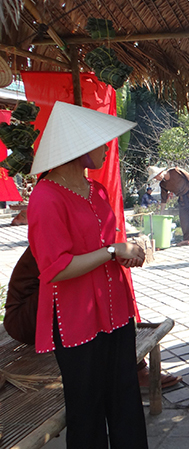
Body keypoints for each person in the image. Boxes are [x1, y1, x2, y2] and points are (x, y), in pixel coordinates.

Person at [27, 101, 149, 449]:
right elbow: (58, 268)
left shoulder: (97, 191)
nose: (108, 147)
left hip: (114, 310)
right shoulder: (46, 198)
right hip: (76, 316)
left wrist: (125, 255)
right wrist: (113, 251)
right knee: (87, 407)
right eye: (100, 141)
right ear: (75, 147)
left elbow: (105, 244)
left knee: (125, 395)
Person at [3, 245, 182, 389]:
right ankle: (133, 370)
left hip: (50, 309)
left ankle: (132, 367)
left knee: (102, 278)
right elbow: (64, 269)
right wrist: (112, 251)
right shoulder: (54, 216)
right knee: (91, 281)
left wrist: (124, 253)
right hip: (24, 318)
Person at [148, 166, 189, 246]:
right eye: (154, 177)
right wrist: (161, 213)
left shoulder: (176, 171)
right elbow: (164, 199)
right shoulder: (163, 184)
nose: (156, 178)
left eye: (156, 176)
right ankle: (187, 239)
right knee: (184, 218)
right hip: (182, 198)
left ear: (160, 172)